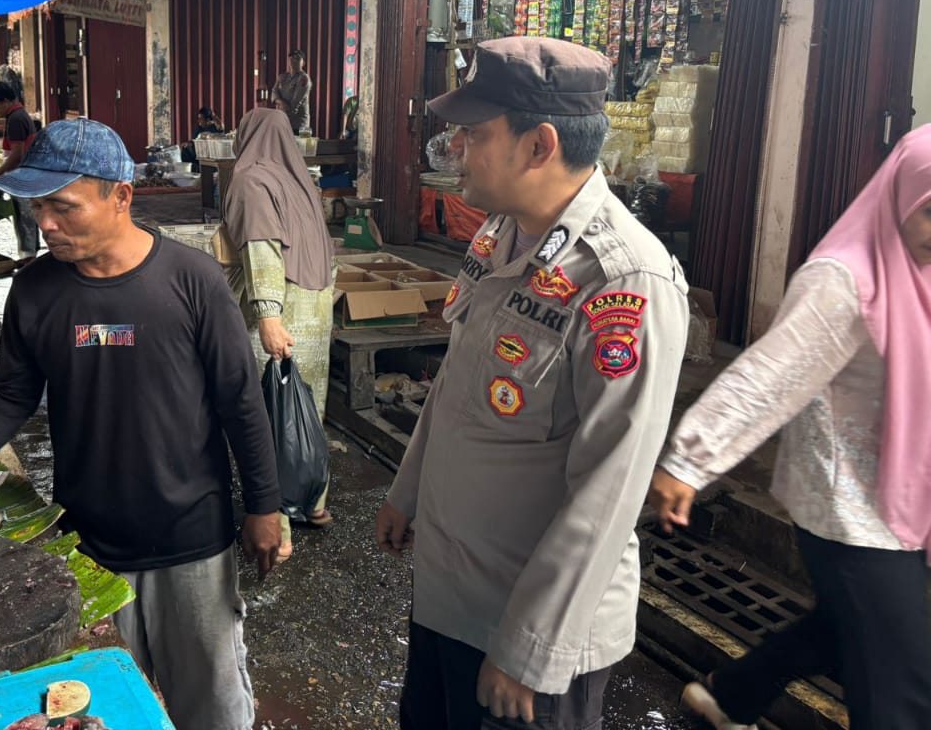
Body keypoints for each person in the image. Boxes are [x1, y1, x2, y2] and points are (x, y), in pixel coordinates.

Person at [0, 119, 283, 730]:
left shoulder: (192, 281)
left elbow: (240, 402)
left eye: (63, 206)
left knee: (211, 707)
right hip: (88, 540)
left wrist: (265, 508)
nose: (46, 223)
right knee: (109, 706)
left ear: (121, 196)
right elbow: (9, 396)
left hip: (190, 537)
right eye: (37, 207)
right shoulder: (36, 291)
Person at [375, 37, 689, 730]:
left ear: (540, 145)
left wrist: (530, 649)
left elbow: (611, 487)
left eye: (475, 134)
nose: (456, 149)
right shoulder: (500, 234)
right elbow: (458, 379)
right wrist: (407, 489)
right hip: (451, 592)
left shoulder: (623, 280)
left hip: (524, 633)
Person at [649, 126, 931, 730]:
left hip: (904, 494)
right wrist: (691, 460)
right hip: (849, 508)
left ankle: (732, 695)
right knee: (902, 685)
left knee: (845, 627)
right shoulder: (846, 280)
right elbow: (770, 378)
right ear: (900, 196)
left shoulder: (921, 271)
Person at [223, 108, 335, 561]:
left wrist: (268, 315)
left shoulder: (250, 180)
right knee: (304, 412)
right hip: (316, 312)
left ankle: (280, 527)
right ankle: (314, 503)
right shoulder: (300, 181)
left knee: (269, 420)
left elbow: (262, 250)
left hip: (280, 313)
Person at [0, 81, 39, 264]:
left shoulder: (15, 118)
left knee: (24, 216)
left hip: (22, 175)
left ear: (5, 101)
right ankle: (29, 254)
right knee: (25, 216)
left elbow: (17, 154)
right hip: (24, 173)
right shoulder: (18, 114)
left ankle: (28, 257)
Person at [271, 50, 312, 135]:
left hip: (300, 124)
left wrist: (282, 106)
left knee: (300, 143)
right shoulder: (282, 77)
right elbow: (274, 92)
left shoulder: (304, 78)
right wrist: (280, 102)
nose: (294, 60)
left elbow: (295, 103)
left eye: (298, 58)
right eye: (292, 58)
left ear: (303, 63)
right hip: (283, 121)